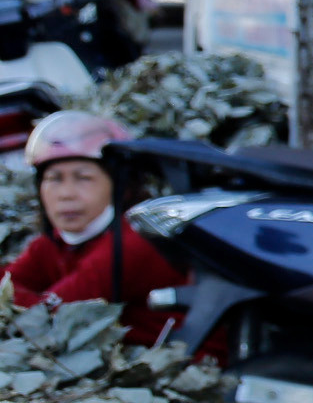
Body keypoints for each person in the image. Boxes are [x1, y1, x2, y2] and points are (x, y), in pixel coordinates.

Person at [2, 111, 186, 346]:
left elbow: (47, 319)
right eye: (55, 179)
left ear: (121, 187)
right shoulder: (53, 243)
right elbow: (8, 287)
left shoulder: (132, 244)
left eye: (83, 178)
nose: (66, 194)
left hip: (193, 367)